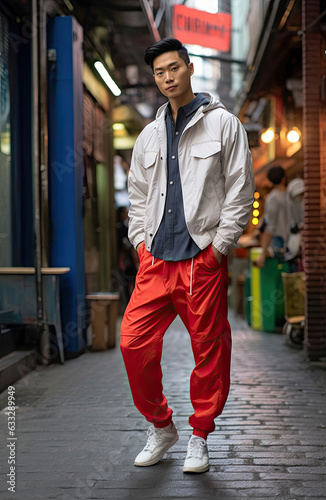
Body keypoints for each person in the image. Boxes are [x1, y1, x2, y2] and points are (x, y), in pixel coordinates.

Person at [120, 38, 254, 474]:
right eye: (159, 72)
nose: (167, 77)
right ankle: (161, 425)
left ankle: (200, 435)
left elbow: (239, 190)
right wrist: (140, 243)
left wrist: (218, 249)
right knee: (132, 342)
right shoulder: (148, 135)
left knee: (209, 351)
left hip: (201, 258)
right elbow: (138, 197)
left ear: (190, 68)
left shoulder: (224, 125)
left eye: (173, 68)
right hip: (155, 259)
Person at [255, 166, 288, 269]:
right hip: (293, 241)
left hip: (279, 241)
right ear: (283, 179)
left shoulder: (272, 198)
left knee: (280, 277)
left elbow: (270, 226)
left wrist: (263, 253)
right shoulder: (290, 195)